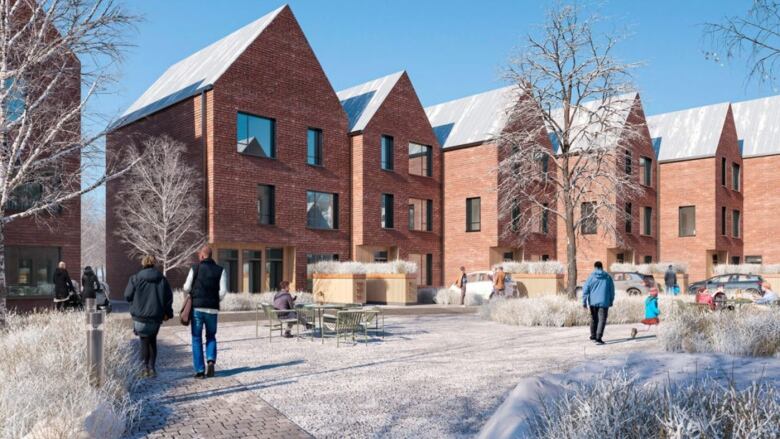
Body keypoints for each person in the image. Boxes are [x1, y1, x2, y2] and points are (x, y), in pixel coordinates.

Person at [124, 255, 173, 378]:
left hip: (140, 317)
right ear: (154, 263)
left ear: (143, 263)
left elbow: (127, 295)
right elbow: (168, 298)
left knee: (144, 342)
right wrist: (168, 313)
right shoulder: (162, 279)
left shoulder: (135, 278)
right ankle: (152, 368)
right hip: (156, 317)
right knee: (152, 341)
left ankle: (144, 368)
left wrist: (134, 304)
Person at [183, 245, 227, 379]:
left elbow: (186, 287)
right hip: (212, 309)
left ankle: (200, 371)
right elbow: (223, 291)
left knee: (196, 338)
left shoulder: (195, 268)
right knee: (211, 336)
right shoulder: (221, 270)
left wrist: (192, 294)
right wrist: (214, 298)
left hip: (197, 308)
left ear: (202, 255)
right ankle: (211, 360)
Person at [582, 261, 615, 345]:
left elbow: (585, 290)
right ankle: (598, 337)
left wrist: (584, 302)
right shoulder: (607, 277)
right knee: (602, 320)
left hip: (593, 302)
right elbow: (612, 290)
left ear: (595, 267)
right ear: (602, 267)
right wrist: (611, 300)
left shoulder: (591, 277)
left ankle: (593, 335)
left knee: (593, 318)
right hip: (604, 302)